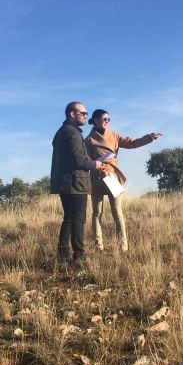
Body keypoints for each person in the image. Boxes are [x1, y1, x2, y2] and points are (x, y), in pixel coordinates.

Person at [84, 109, 161, 252]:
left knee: (117, 212)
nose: (107, 121)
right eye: (104, 119)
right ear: (95, 120)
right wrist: (97, 166)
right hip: (97, 176)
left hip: (112, 176)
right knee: (96, 213)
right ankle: (98, 246)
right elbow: (86, 160)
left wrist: (148, 138)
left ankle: (123, 246)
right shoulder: (88, 140)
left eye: (108, 119)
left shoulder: (114, 135)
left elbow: (132, 143)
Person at [50, 102, 106, 263]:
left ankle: (62, 254)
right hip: (76, 182)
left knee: (69, 217)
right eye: (83, 113)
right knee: (78, 218)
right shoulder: (73, 133)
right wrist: (96, 164)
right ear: (71, 114)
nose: (86, 116)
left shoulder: (61, 132)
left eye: (86, 114)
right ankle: (79, 256)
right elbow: (79, 160)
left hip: (64, 181)